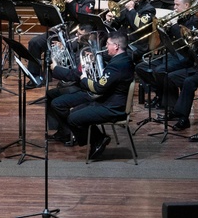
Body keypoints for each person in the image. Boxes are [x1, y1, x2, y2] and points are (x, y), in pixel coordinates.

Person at [47, 31, 134, 160]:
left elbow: (98, 88)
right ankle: (97, 139)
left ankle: (98, 140)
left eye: (108, 44)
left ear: (116, 46)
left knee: (73, 118)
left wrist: (84, 79)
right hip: (109, 101)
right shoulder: (123, 59)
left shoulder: (117, 65)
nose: (105, 47)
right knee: (76, 112)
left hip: (112, 107)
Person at [26, 0, 96, 87]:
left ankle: (59, 76)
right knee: (35, 42)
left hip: (76, 34)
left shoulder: (88, 0)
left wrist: (72, 3)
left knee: (57, 47)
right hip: (61, 31)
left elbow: (83, 17)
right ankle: (35, 76)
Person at [163, 8, 198, 132]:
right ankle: (175, 109)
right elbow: (191, 54)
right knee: (170, 77)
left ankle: (183, 118)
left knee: (189, 82)